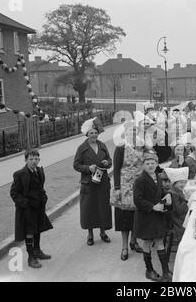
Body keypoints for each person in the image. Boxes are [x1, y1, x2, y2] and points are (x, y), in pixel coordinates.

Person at [133, 151, 172, 282]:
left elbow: (159, 192)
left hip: (157, 216)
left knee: (160, 240)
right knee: (148, 242)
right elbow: (137, 200)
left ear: (156, 164)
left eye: (153, 163)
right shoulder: (140, 180)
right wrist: (152, 206)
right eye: (147, 163)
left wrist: (167, 195)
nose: (150, 165)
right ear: (143, 165)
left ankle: (166, 271)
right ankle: (149, 270)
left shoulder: (158, 177)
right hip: (146, 216)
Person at [10, 149, 53, 269]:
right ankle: (31, 257)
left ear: (39, 160)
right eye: (31, 159)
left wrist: (44, 197)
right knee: (29, 232)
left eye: (36, 159)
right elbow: (14, 193)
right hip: (27, 209)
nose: (34, 161)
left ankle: (37, 251)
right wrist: (25, 204)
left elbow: (40, 187)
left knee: (37, 229)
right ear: (25, 160)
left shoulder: (39, 171)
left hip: (39, 206)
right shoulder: (19, 174)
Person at [73, 117, 112, 246]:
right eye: (91, 133)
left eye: (95, 133)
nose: (94, 135)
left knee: (102, 207)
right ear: (87, 134)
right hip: (88, 183)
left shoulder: (102, 145)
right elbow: (76, 165)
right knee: (89, 209)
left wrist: (107, 163)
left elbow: (109, 161)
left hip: (102, 182)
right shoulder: (81, 148)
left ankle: (103, 232)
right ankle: (90, 235)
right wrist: (87, 168)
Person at [111, 123, 144, 261]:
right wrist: (117, 187)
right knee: (124, 217)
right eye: (131, 131)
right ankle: (124, 246)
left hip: (138, 186)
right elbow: (116, 168)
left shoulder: (142, 147)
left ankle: (133, 241)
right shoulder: (120, 147)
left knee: (137, 215)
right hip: (124, 187)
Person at [164, 167, 189, 261]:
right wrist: (186, 200)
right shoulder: (173, 194)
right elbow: (179, 210)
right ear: (174, 183)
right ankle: (186, 251)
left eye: (184, 182)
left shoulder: (177, 190)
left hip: (179, 217)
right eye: (181, 182)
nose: (183, 184)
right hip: (177, 221)